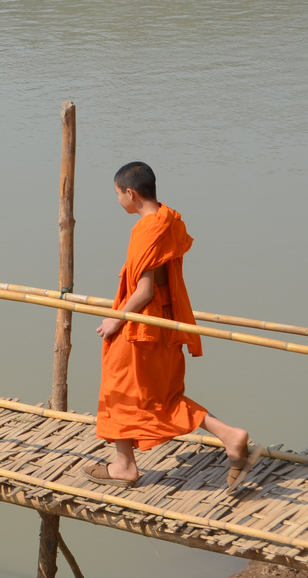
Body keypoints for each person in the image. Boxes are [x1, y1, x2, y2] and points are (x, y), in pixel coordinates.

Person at [83, 161, 259, 489]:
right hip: (164, 323)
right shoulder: (169, 219)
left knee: (116, 387)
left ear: (130, 193)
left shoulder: (147, 229)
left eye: (118, 194)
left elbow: (144, 290)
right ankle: (230, 436)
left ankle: (124, 466)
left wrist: (115, 319)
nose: (118, 200)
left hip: (142, 327)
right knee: (165, 396)